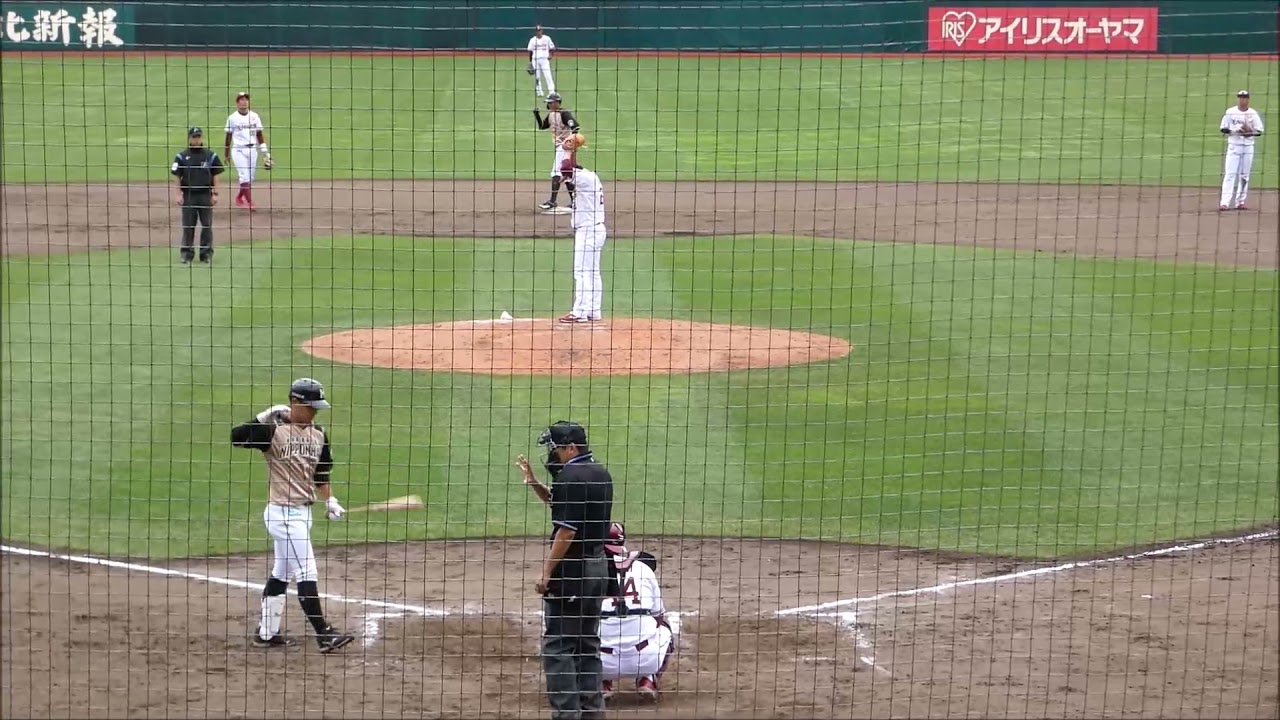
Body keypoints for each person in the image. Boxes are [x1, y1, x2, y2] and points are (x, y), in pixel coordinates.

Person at [231, 377, 354, 654]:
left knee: (283, 572)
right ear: (294, 402)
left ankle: (266, 634)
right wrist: (263, 416)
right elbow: (236, 438)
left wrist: (330, 500)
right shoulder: (273, 431)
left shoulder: (318, 434)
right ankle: (324, 634)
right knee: (306, 571)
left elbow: (320, 472)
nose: (313, 413)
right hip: (282, 514)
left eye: (316, 408)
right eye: (310, 407)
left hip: (302, 514)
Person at [517, 421, 614, 720]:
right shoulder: (599, 472)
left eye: (556, 448)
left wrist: (547, 571)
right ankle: (592, 713)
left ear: (571, 448)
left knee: (558, 647)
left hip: (574, 572)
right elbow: (564, 506)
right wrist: (535, 483)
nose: (552, 454)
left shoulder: (570, 477)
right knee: (587, 645)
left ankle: (567, 716)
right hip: (598, 568)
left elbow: (567, 530)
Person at [599, 522, 677, 704]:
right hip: (645, 659)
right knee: (666, 629)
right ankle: (648, 680)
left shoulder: (588, 569)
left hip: (599, 663)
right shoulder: (643, 569)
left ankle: (601, 684)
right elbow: (659, 616)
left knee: (578, 630)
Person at [558, 147, 607, 324]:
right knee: (593, 271)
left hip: (588, 231)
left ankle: (579, 312)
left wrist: (568, 151)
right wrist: (573, 152)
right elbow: (568, 170)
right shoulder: (590, 177)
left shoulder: (584, 178)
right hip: (596, 229)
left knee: (582, 271)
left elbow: (565, 168)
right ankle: (593, 310)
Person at [170, 127, 224, 265]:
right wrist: (178, 194)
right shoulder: (182, 156)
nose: (196, 139)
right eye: (194, 137)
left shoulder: (210, 155)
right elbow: (177, 176)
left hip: (205, 195)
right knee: (188, 226)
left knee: (207, 226)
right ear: (189, 138)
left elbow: (216, 174)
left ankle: (206, 254)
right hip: (189, 195)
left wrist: (216, 193)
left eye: (198, 137)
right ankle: (186, 254)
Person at [224, 91, 272, 211]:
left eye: (246, 99)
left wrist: (266, 153)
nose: (244, 102)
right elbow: (228, 136)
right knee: (244, 177)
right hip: (238, 150)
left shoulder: (254, 116)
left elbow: (259, 135)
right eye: (241, 100)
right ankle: (250, 202)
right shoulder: (232, 118)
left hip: (252, 150)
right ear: (237, 103)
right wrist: (226, 154)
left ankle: (239, 197)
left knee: (250, 178)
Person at [534, 93, 582, 211]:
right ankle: (575, 202)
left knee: (556, 172)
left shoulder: (564, 113)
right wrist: (537, 115)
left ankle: (552, 201)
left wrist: (570, 142)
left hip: (565, 147)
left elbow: (575, 127)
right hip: (560, 147)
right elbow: (542, 126)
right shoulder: (551, 115)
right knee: (567, 174)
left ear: (556, 102)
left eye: (550, 103)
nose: (549, 105)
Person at [1219, 89, 1264, 211]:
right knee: (1230, 174)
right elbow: (1223, 128)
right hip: (1234, 147)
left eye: (1244, 97)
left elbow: (1259, 131)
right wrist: (1236, 131)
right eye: (1240, 97)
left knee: (1244, 175)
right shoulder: (1230, 112)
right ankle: (1225, 202)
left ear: (1248, 99)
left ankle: (1240, 201)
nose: (1242, 100)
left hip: (1248, 148)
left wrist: (1249, 132)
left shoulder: (1253, 113)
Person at [526, 25, 557, 98]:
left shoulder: (547, 38)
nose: (538, 32)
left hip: (544, 60)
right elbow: (530, 52)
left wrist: (551, 55)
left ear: (542, 31)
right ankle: (539, 91)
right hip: (535, 60)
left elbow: (552, 48)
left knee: (548, 75)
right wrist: (530, 62)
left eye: (539, 31)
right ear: (535, 32)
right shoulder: (532, 40)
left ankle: (552, 91)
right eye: (537, 31)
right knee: (537, 77)